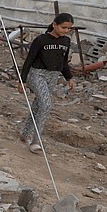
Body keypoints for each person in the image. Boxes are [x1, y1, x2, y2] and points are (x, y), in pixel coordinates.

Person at [17, 13, 75, 153]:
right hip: (38, 75)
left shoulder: (65, 41)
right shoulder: (41, 40)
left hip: (53, 77)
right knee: (46, 104)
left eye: (68, 28)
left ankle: (25, 134)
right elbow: (29, 60)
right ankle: (36, 140)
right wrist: (22, 80)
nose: (66, 31)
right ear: (54, 24)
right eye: (63, 27)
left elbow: (63, 62)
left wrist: (69, 77)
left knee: (39, 105)